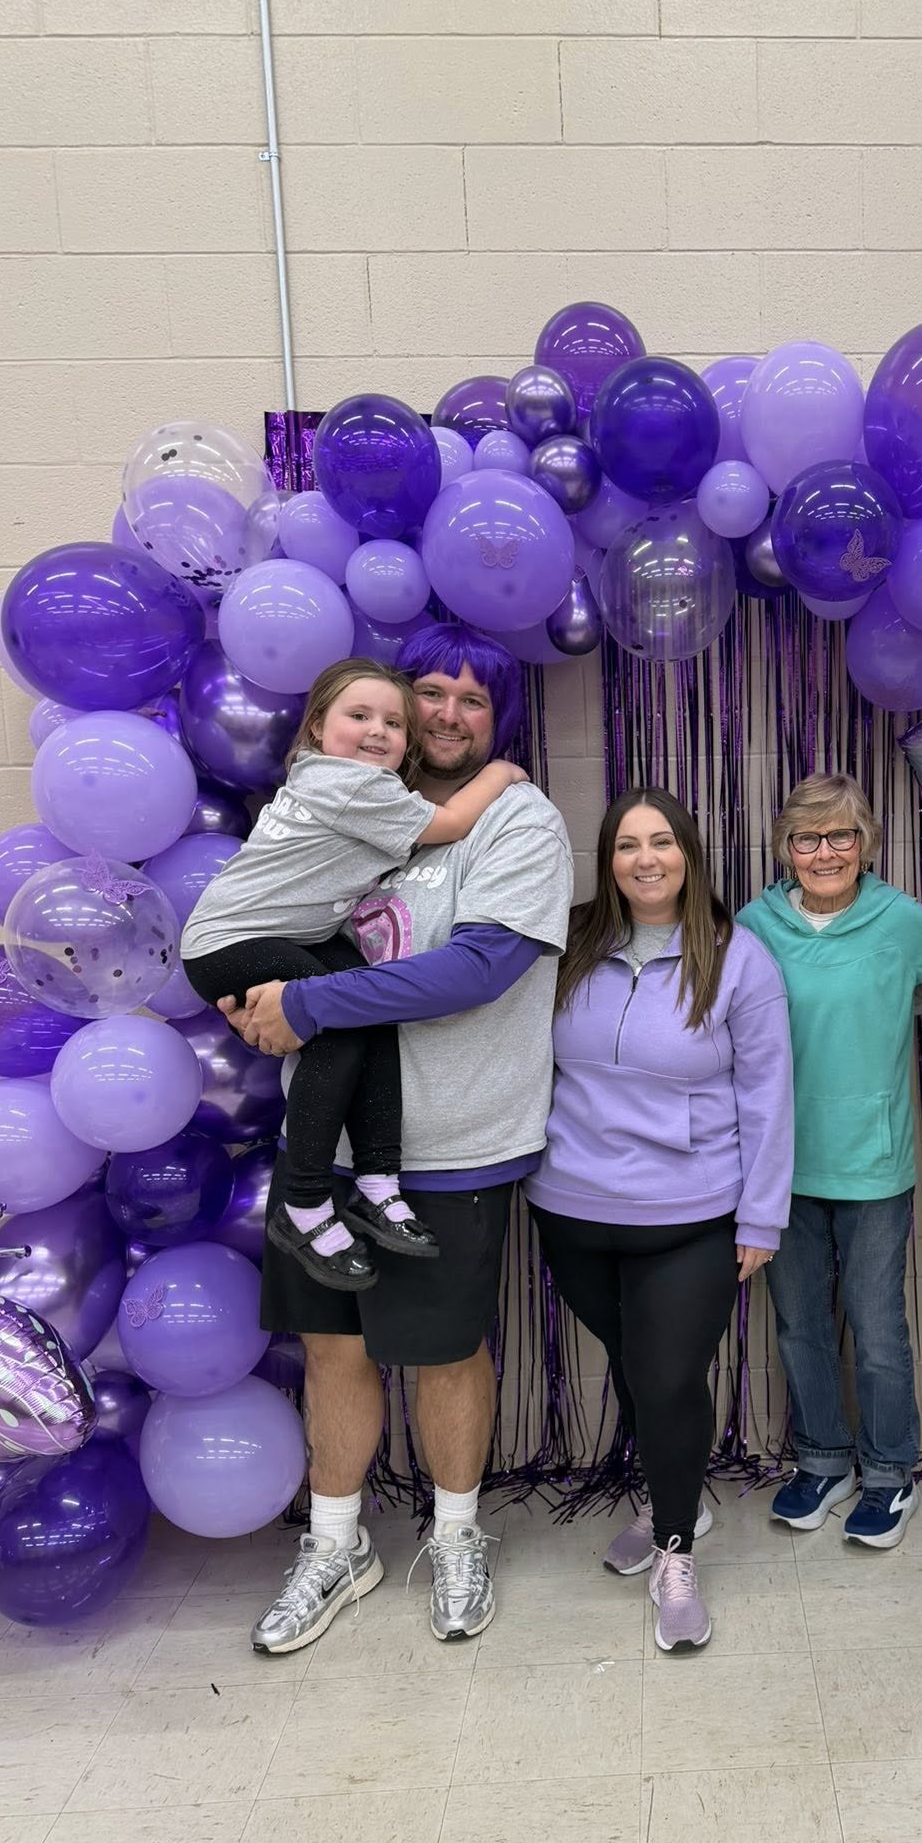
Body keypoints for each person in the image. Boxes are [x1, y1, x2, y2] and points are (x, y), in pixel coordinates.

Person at [222, 624, 573, 1651]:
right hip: (323, 1146)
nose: (450, 713)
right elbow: (252, 921)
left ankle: (457, 1531)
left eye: (475, 698)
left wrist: (311, 1002)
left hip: (454, 1141)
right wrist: (254, 996)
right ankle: (337, 1543)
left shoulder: (516, 818)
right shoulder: (340, 805)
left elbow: (478, 969)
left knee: (442, 1347)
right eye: (433, 690)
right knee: (332, 1346)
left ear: (496, 718)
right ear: (395, 703)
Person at [526, 787, 793, 1651]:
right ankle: (670, 1498)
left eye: (663, 842)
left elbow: (767, 1093)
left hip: (692, 1215)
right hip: (571, 1208)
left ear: (689, 853)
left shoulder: (736, 957)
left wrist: (761, 1217)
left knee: (670, 1378)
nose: (646, 859)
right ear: (607, 861)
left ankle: (676, 1551)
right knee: (639, 1369)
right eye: (627, 845)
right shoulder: (568, 945)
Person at [182, 657, 524, 1290]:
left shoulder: (354, 786)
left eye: (394, 723)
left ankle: (376, 1182)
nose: (378, 731)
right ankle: (305, 1202)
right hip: (233, 940)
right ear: (316, 728)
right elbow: (447, 824)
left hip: (295, 937)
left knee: (367, 1007)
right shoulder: (349, 784)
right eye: (359, 716)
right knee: (336, 1026)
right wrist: (501, 771)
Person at [738, 774, 922, 1548]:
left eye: (841, 836)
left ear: (867, 844)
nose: (824, 852)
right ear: (785, 848)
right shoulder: (754, 925)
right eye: (806, 838)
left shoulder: (905, 923)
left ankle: (891, 1474)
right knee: (798, 1326)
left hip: (873, 1164)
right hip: (780, 1168)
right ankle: (823, 1460)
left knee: (878, 1327)